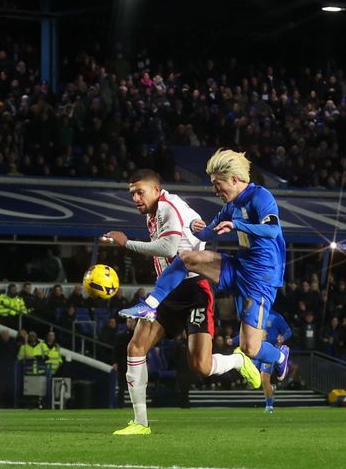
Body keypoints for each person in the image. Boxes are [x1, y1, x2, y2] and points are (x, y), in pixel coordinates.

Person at [120, 150, 290, 387]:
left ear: (234, 179)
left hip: (261, 278)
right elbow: (208, 231)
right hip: (240, 265)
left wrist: (237, 225)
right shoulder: (230, 206)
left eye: (217, 184)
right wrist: (193, 225)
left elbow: (272, 230)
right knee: (189, 258)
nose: (215, 190)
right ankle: (149, 304)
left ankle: (281, 356)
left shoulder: (261, 197)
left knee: (250, 347)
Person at [102, 168, 248, 435]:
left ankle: (239, 361)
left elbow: (169, 248)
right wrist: (197, 229)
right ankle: (140, 423)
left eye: (140, 192)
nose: (135, 197)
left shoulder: (167, 207)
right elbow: (193, 223)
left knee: (200, 366)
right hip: (168, 292)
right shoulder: (158, 211)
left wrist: (126, 243)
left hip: (194, 289)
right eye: (132, 193)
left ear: (156, 190)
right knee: (135, 347)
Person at [257, 310, 292, 412]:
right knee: (259, 379)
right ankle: (271, 388)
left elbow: (288, 331)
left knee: (264, 378)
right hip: (256, 349)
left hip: (270, 350)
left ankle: (269, 406)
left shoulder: (276, 317)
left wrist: (282, 337)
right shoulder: (255, 314)